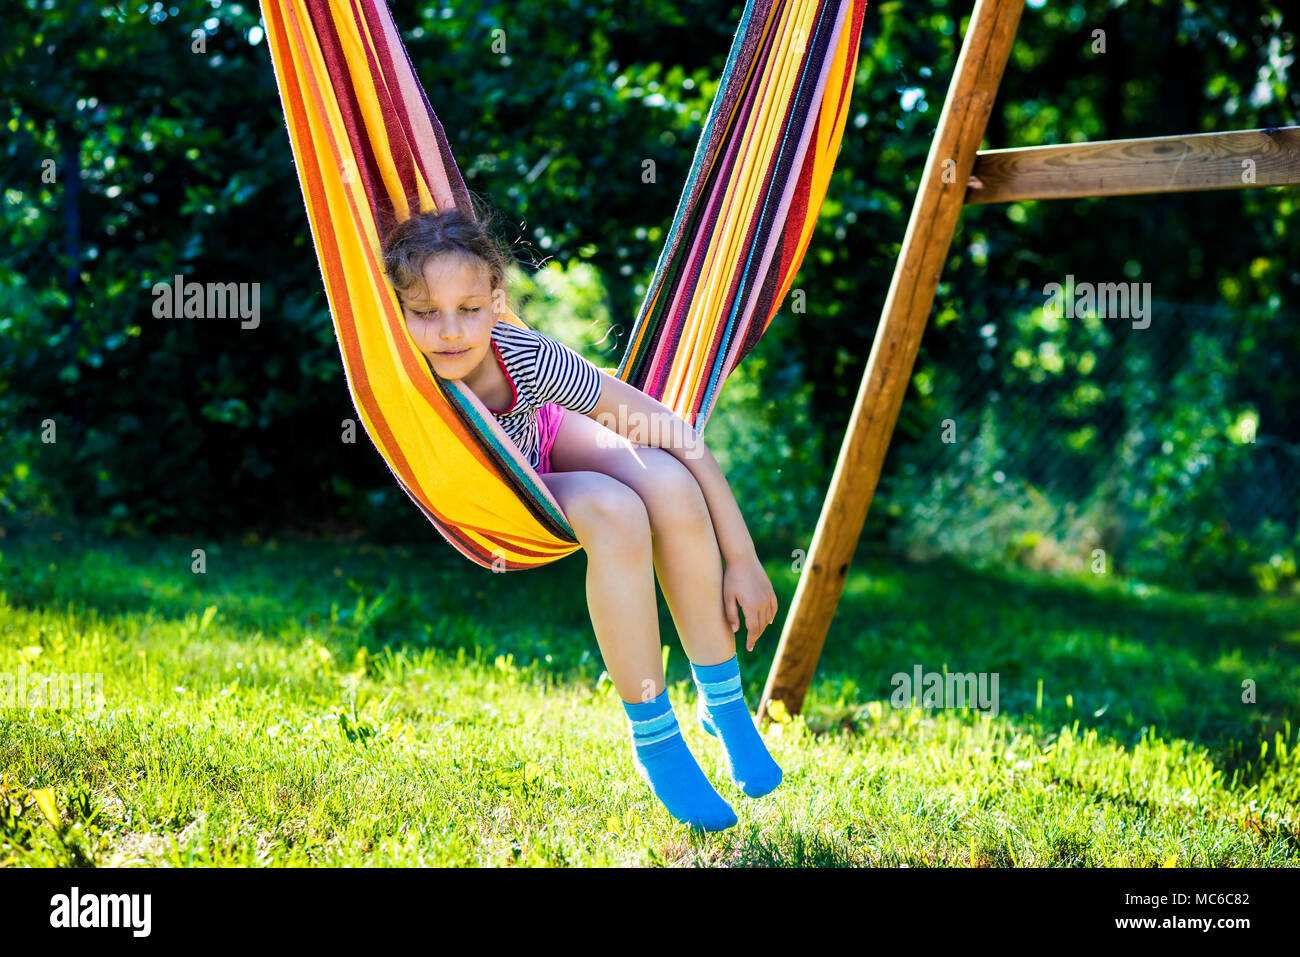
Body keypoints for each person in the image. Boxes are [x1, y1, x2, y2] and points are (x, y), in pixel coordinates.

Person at [380, 199, 782, 831]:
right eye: (425, 314)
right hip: (492, 487)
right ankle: (654, 739)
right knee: (617, 510)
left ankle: (723, 701)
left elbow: (677, 433)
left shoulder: (527, 358)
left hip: (540, 440)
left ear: (497, 299)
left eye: (470, 310)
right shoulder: (395, 369)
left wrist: (744, 559)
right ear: (396, 312)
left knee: (670, 480)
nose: (450, 332)